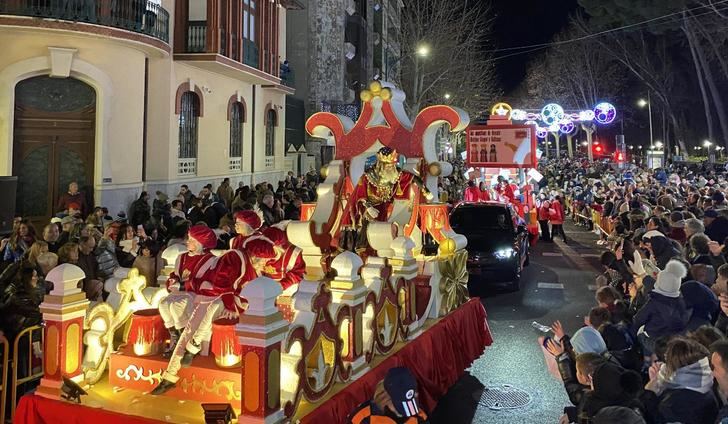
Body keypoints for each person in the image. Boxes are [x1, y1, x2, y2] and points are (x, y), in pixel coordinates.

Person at [151, 225, 259, 395]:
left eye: (192, 240)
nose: (188, 242)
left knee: (196, 325)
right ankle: (170, 376)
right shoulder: (234, 258)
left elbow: (217, 286)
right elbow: (215, 284)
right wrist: (176, 283)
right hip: (203, 298)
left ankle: (188, 352)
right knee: (182, 329)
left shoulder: (222, 260)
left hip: (207, 299)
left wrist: (229, 301)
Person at [642, 337, 717, 424]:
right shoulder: (705, 382)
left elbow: (655, 419)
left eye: (667, 361)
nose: (663, 365)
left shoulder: (674, 405)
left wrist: (649, 393)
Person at [349, 367, 429, 423]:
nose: (406, 413)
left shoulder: (419, 417)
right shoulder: (363, 417)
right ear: (386, 397)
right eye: (400, 406)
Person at [77, 235, 104, 301]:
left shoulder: (91, 255)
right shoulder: (76, 257)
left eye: (93, 247)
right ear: (82, 244)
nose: (91, 250)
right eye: (90, 247)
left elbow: (96, 268)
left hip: (93, 286)